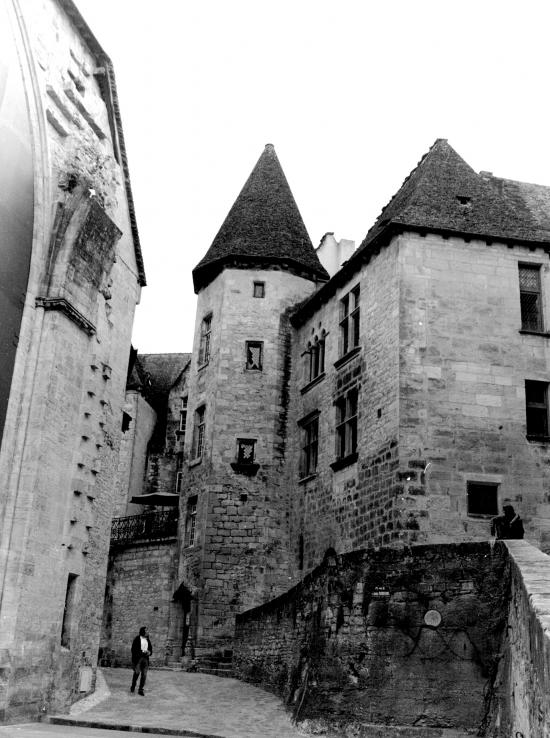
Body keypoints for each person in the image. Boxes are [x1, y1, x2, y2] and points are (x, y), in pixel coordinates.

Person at [131, 626, 152, 695]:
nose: (147, 632)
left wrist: (149, 652)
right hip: (139, 659)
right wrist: (142, 652)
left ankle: (140, 689)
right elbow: (133, 649)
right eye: (146, 630)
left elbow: (151, 649)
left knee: (144, 675)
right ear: (143, 631)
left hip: (146, 659)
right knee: (137, 673)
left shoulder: (147, 640)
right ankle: (133, 686)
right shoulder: (137, 639)